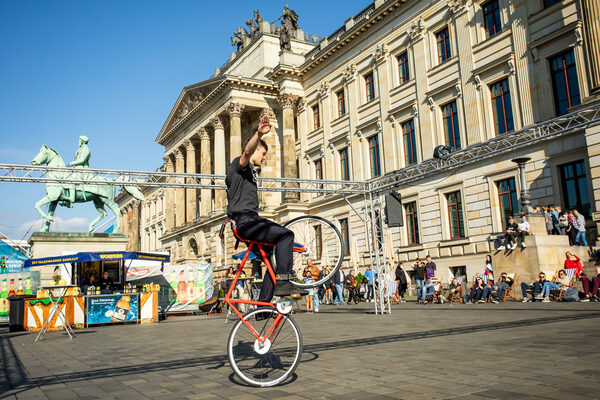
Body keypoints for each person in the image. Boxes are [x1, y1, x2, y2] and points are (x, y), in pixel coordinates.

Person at [225, 114, 306, 303]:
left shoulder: (251, 173)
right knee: (286, 235)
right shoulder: (238, 167)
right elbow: (246, 153)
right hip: (246, 221)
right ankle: (285, 282)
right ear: (255, 151)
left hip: (250, 221)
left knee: (271, 260)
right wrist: (259, 134)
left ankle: (263, 304)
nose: (264, 158)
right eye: (262, 153)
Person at [66, 135, 91, 205]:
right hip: (76, 169)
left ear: (82, 141)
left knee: (71, 180)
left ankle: (71, 199)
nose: (78, 142)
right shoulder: (80, 150)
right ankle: (67, 201)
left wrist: (71, 163)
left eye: (79, 140)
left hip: (82, 170)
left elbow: (82, 160)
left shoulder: (86, 149)